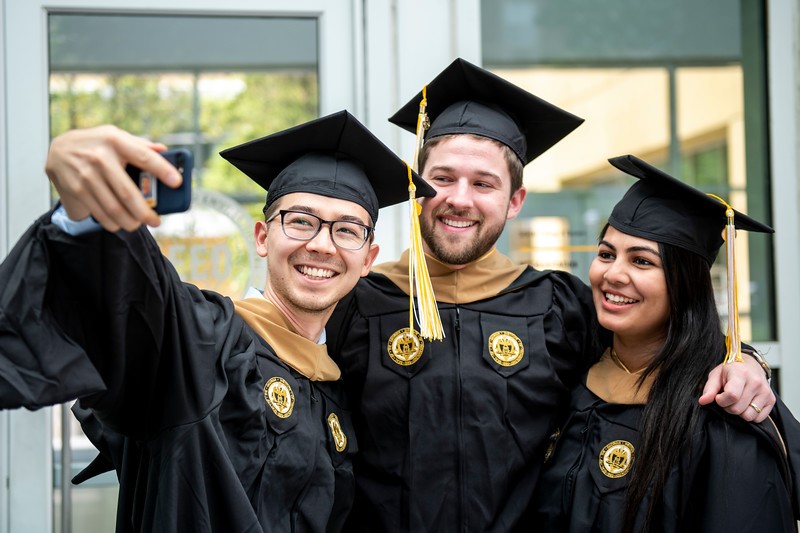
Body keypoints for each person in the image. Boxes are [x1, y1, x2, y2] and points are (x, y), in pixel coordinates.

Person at [324, 58, 778, 532]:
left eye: (484, 183)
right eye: (442, 178)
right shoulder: (355, 304)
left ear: (514, 201)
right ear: (416, 188)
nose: (460, 198)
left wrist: (743, 361)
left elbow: (657, 346)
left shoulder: (558, 307)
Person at [0, 110, 435, 532]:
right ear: (263, 238)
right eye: (300, 221)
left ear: (367, 260)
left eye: (346, 230)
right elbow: (138, 305)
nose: (322, 245)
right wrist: (87, 215)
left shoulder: (338, 391)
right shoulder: (201, 343)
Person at [530, 154, 800, 532]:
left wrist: (746, 360)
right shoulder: (570, 371)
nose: (613, 274)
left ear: (685, 284)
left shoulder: (720, 415)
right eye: (606, 254)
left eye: (641, 262)